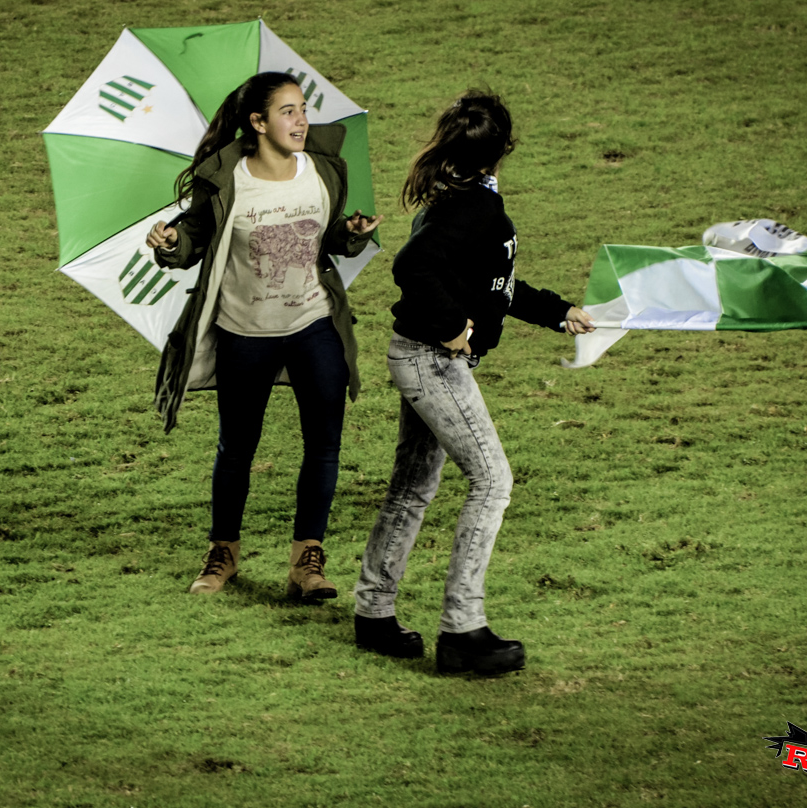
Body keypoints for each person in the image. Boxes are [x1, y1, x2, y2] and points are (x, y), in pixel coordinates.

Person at [352, 90, 594, 675]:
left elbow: (496, 284)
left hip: (416, 356)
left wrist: (559, 312)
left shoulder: (459, 194)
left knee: (413, 487)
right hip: (433, 362)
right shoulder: (475, 207)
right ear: (504, 149)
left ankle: (374, 613)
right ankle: (462, 629)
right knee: (493, 481)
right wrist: (453, 328)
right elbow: (413, 266)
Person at [145, 72, 381, 600]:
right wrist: (169, 243)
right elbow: (193, 239)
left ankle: (307, 562)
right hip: (244, 333)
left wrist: (349, 235)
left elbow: (327, 239)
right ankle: (222, 553)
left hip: (314, 326)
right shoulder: (228, 180)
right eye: (288, 112)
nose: (301, 122)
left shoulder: (322, 169)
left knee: (324, 445)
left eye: (302, 110)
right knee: (237, 448)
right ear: (257, 123)